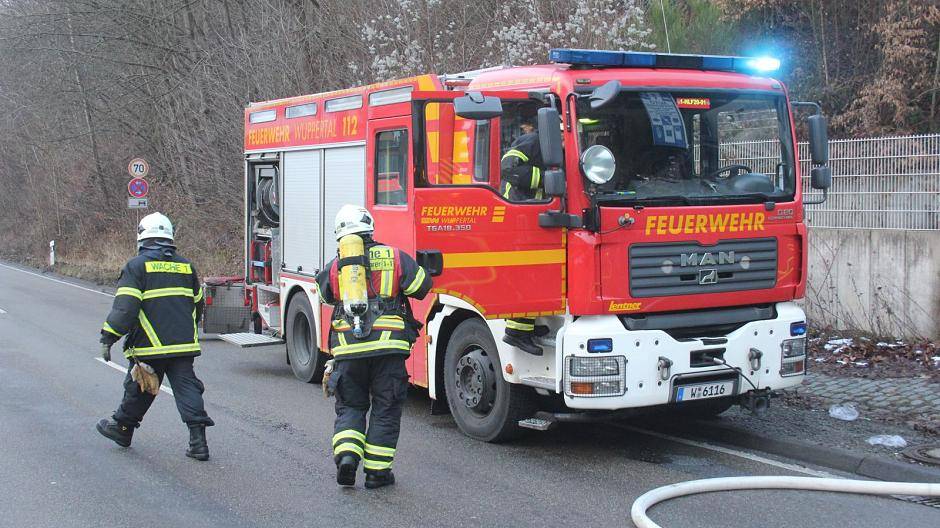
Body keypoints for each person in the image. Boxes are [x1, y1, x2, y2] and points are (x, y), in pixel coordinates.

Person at [316, 204, 432, 489]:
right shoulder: (395, 257)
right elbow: (421, 286)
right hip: (388, 349)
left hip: (348, 350)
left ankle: (347, 456)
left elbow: (324, 295)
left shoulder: (338, 265)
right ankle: (377, 473)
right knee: (385, 408)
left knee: (351, 406)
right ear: (369, 226)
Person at [95, 212, 214, 460]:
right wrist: (186, 330)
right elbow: (198, 304)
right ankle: (198, 442)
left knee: (140, 386)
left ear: (142, 237)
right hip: (182, 345)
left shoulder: (136, 266)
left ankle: (122, 428)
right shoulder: (186, 266)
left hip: (149, 344)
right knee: (187, 388)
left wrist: (109, 336)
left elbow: (125, 308)